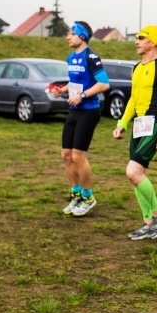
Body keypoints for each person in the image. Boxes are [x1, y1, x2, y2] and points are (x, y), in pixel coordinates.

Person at [113, 25, 157, 240]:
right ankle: (148, 222)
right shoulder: (136, 68)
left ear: (153, 41)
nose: (137, 41)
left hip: (155, 124)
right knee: (137, 176)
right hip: (138, 125)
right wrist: (122, 124)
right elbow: (133, 99)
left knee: (132, 172)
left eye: (141, 38)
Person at [52, 22, 110, 216]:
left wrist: (83, 95)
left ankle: (88, 196)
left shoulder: (91, 57)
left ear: (82, 37)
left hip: (89, 110)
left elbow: (104, 84)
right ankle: (76, 195)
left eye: (72, 33)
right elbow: (75, 81)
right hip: (74, 109)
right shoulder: (71, 58)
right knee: (66, 155)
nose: (68, 37)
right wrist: (64, 89)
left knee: (78, 156)